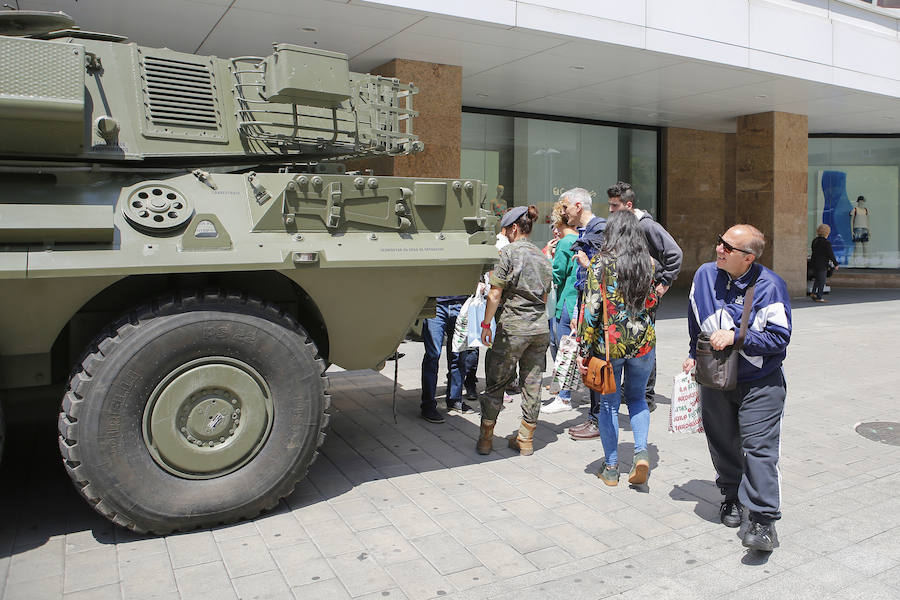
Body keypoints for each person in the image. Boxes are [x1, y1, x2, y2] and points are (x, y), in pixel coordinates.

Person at [682, 224, 792, 553]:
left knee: (759, 448)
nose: (719, 249)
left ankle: (763, 519)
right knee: (722, 442)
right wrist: (693, 354)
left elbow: (779, 337)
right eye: (720, 242)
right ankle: (731, 497)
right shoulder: (703, 276)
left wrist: (737, 337)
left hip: (760, 382)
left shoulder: (771, 286)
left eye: (728, 248)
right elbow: (694, 318)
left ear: (749, 258)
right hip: (715, 377)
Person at [578, 210, 658, 486]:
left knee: (610, 406)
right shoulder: (648, 263)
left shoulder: (600, 265)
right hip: (642, 344)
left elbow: (590, 311)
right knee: (637, 399)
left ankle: (611, 467)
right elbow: (650, 302)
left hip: (609, 346)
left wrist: (583, 350)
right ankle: (641, 453)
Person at [476, 205, 552, 456]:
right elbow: (544, 294)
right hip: (539, 328)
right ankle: (525, 440)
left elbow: (495, 293)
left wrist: (486, 324)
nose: (505, 234)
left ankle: (486, 440)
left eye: (506, 230)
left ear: (515, 228)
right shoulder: (543, 256)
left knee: (497, 381)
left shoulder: (507, 253)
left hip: (513, 329)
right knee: (532, 384)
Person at [607, 182, 682, 412]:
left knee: (645, 341)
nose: (610, 210)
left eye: (615, 205)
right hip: (626, 294)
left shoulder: (648, 226)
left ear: (628, 205)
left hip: (645, 295)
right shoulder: (624, 226)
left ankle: (646, 396)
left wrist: (664, 284)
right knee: (631, 338)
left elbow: (674, 253)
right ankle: (629, 389)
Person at [556, 188, 607, 440]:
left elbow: (601, 277)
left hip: (597, 315)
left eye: (565, 207)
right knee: (590, 363)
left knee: (596, 363)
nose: (563, 213)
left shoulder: (598, 231)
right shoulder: (588, 231)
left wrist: (585, 313)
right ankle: (595, 417)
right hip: (586, 308)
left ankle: (598, 420)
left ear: (578, 206)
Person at [543, 200, 579, 413]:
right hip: (576, 300)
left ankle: (563, 397)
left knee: (561, 349)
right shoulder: (578, 238)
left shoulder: (565, 243)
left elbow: (556, 274)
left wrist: (548, 256)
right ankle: (561, 392)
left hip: (565, 301)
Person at [420, 295, 478, 423]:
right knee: (432, 356)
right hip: (435, 304)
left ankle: (454, 399)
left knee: (459, 355)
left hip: (462, 304)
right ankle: (428, 405)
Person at [810, 223, 838, 303]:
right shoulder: (826, 243)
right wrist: (836, 264)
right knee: (822, 280)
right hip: (822, 264)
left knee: (817, 279)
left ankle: (813, 292)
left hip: (814, 263)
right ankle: (819, 297)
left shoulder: (815, 241)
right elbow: (830, 254)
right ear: (827, 232)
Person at [850, 195, 870, 265]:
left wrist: (869, 230)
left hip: (864, 229)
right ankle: (854, 262)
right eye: (860, 201)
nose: (861, 202)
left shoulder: (865, 210)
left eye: (862, 201)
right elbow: (851, 221)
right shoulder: (855, 210)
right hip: (857, 229)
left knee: (865, 247)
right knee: (857, 247)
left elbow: (867, 221)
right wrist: (852, 231)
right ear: (858, 201)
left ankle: (865, 262)